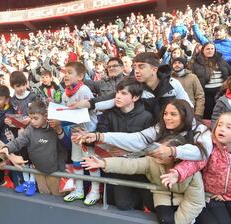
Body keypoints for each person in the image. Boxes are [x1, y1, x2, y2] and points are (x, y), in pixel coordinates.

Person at [81, 134, 205, 224]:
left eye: (163, 151)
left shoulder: (191, 172)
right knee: (165, 220)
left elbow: (195, 202)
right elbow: (129, 165)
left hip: (185, 199)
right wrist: (103, 163)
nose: (157, 153)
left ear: (176, 156)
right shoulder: (152, 161)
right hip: (162, 196)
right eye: (158, 149)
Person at [75, 99, 212, 164]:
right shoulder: (160, 126)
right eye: (165, 114)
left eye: (173, 114)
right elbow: (138, 139)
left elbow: (202, 152)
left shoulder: (201, 130)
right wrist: (99, 136)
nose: (167, 118)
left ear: (185, 115)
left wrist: (174, 151)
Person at [71, 52, 193, 121]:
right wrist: (87, 104)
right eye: (135, 67)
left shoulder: (173, 84)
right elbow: (113, 98)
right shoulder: (135, 85)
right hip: (148, 133)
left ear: (154, 69)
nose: (137, 71)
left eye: (141, 66)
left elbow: (187, 107)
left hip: (172, 132)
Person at [161, 112, 231, 224]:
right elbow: (194, 163)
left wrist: (228, 196)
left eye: (228, 127)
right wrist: (177, 173)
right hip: (210, 197)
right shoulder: (211, 149)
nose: (221, 129)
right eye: (219, 125)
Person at [96, 77, 153, 210]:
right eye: (117, 92)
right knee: (119, 204)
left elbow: (151, 146)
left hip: (139, 169)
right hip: (113, 166)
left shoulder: (147, 117)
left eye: (124, 93)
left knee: (147, 204)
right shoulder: (108, 114)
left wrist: (130, 152)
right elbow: (99, 135)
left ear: (135, 97)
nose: (118, 96)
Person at [0, 100, 68, 196]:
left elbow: (65, 147)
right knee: (44, 195)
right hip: (38, 170)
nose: (32, 121)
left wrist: (60, 167)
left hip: (54, 172)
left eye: (35, 118)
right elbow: (18, 141)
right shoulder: (30, 129)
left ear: (45, 116)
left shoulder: (54, 128)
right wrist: (7, 148)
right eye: (30, 118)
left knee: (56, 197)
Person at [61, 61, 100, 205]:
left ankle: (95, 191)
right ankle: (79, 190)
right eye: (65, 72)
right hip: (75, 133)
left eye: (70, 72)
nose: (66, 75)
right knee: (76, 162)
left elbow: (92, 110)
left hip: (88, 133)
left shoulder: (84, 90)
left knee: (91, 162)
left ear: (80, 76)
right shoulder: (65, 93)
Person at [6, 71, 37, 195]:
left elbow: (40, 111)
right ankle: (25, 181)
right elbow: (11, 115)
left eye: (23, 85)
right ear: (13, 86)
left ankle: (33, 181)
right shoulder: (12, 100)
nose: (21, 88)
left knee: (32, 157)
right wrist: (10, 122)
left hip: (33, 132)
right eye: (17, 86)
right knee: (23, 157)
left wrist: (31, 118)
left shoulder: (33, 96)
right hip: (20, 133)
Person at [189, 42, 230, 119]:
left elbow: (229, 72)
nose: (210, 51)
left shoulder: (221, 60)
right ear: (203, 50)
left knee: (221, 114)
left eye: (212, 49)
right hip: (205, 93)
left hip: (220, 92)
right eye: (208, 49)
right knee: (208, 114)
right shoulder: (196, 62)